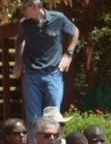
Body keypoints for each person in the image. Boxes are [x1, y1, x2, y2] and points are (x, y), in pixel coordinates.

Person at [12, 0, 79, 128]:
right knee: (33, 118)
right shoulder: (24, 24)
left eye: (24, 7)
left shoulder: (58, 18)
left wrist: (68, 54)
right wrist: (18, 61)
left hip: (53, 73)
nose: (22, 11)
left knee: (54, 116)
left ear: (35, 7)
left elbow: (75, 31)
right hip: (31, 74)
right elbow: (19, 40)